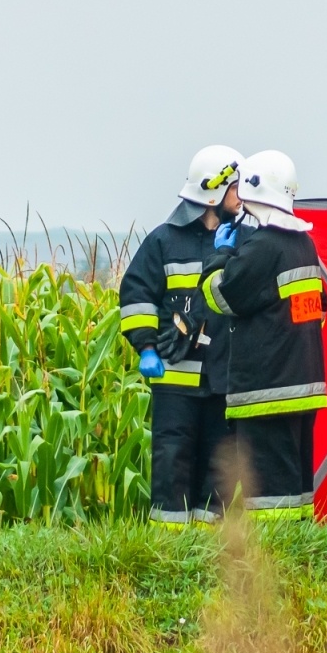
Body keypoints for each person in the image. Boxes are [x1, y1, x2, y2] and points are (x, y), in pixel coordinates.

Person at [118, 145, 244, 525]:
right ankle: (170, 545)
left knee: (217, 467)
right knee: (172, 461)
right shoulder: (164, 241)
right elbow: (136, 292)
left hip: (222, 380)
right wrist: (147, 347)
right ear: (214, 193)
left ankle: (206, 549)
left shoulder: (242, 241)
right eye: (236, 188)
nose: (242, 197)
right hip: (175, 381)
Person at [199, 150, 327, 519]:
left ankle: (277, 555)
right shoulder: (304, 244)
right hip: (302, 384)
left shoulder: (263, 247)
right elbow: (319, 308)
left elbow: (220, 296)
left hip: (266, 390)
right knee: (297, 487)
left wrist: (221, 254)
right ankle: (301, 549)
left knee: (270, 493)